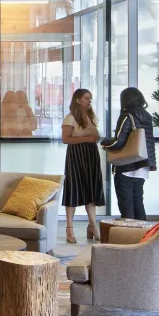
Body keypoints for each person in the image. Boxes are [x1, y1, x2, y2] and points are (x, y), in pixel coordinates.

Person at [101, 87, 157, 221]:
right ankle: (142, 235)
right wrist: (152, 163)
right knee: (138, 201)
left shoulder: (127, 115)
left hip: (127, 165)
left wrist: (105, 143)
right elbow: (149, 141)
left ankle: (129, 236)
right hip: (142, 165)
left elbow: (119, 141)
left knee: (126, 204)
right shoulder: (147, 116)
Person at [61, 89, 104, 244]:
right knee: (74, 188)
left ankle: (93, 225)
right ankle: (69, 228)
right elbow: (65, 139)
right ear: (78, 100)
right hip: (77, 155)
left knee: (90, 188)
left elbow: (92, 136)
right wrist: (87, 138)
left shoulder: (91, 117)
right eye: (87, 98)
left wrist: (95, 138)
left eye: (90, 98)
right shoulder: (70, 117)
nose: (89, 101)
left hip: (91, 154)